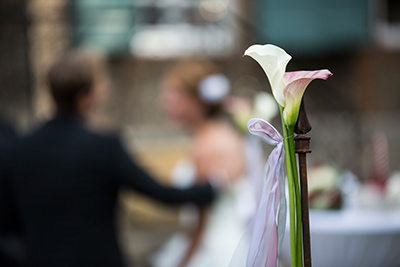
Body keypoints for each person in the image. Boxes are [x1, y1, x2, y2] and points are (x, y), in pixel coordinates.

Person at [0, 50, 217, 267]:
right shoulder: (103, 147)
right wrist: (212, 189)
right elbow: (159, 193)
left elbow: (8, 219)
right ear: (87, 96)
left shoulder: (19, 149)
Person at [153, 59, 255, 267]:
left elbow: (202, 217)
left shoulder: (207, 144)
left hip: (214, 251)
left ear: (195, 101)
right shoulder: (221, 133)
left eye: (172, 95)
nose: (164, 103)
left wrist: (184, 261)